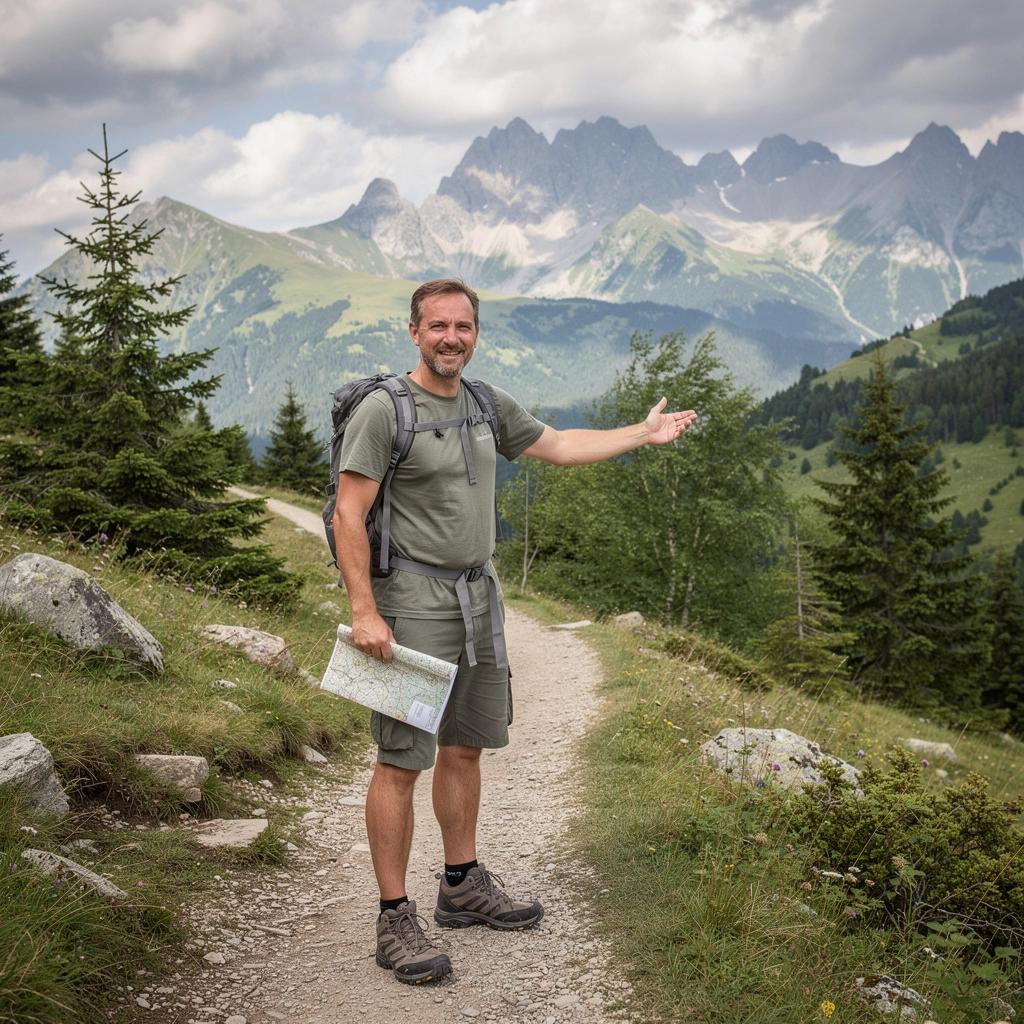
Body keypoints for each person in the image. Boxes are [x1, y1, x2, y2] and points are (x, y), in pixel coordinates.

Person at [332, 278, 697, 985]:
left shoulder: (483, 403)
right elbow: (350, 513)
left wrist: (643, 435)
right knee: (401, 760)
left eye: (462, 327)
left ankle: (462, 885)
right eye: (437, 326)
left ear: (475, 334)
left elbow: (558, 444)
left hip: (479, 597)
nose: (450, 338)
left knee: (466, 748)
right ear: (414, 332)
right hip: (409, 598)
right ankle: (393, 917)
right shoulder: (384, 411)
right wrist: (364, 611)